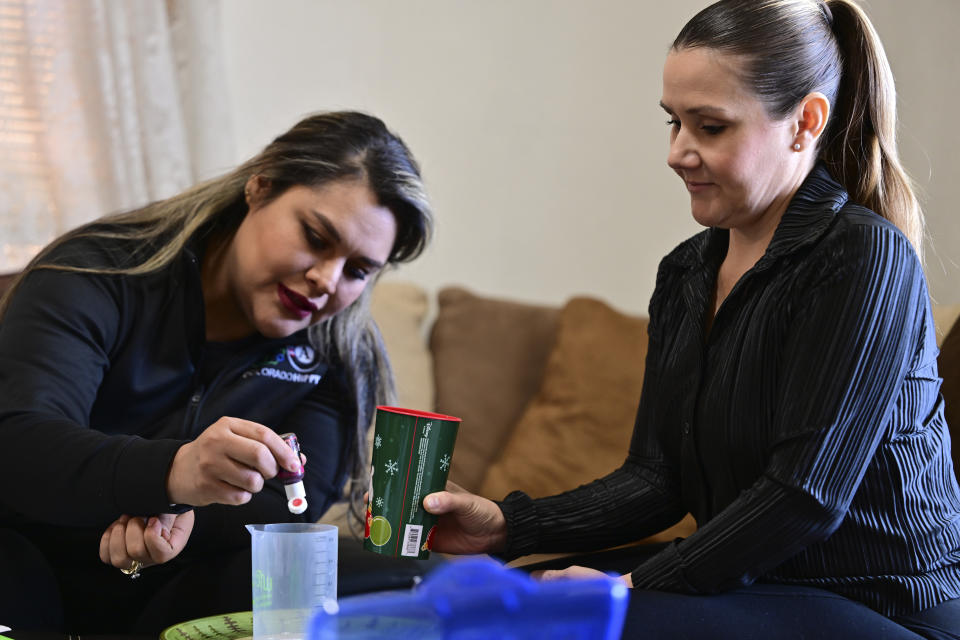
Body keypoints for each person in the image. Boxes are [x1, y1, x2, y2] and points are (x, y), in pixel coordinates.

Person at [423, 1, 960, 638]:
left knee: (582, 620)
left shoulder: (863, 256)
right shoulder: (685, 273)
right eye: (673, 123)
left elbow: (804, 495)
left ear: (804, 122)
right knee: (495, 603)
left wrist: (630, 587)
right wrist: (511, 526)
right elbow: (657, 477)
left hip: (883, 603)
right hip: (755, 585)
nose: (678, 153)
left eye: (709, 127)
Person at [0, 111, 432, 633]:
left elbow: (293, 502)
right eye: (316, 237)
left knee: (422, 580)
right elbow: (21, 442)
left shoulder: (337, 348)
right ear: (260, 186)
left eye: (358, 270)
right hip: (25, 552)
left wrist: (177, 513)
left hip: (177, 574)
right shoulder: (98, 272)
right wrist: (171, 474)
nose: (326, 279)